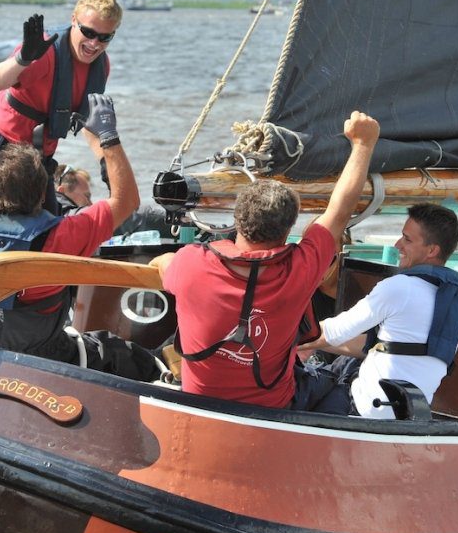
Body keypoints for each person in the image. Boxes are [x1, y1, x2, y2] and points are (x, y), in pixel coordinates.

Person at [150, 111, 381, 409]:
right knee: (342, 380)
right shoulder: (301, 268)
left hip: (200, 404)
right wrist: (364, 145)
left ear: (237, 221)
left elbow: (162, 263)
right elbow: (339, 211)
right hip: (274, 408)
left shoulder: (190, 263)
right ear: (288, 232)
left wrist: (164, 261)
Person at [0, 76, 139, 361]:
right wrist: (107, 136)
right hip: (44, 355)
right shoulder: (64, 236)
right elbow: (127, 201)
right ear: (43, 196)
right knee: (132, 359)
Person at [299, 204, 458, 419]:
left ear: (432, 250)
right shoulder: (455, 297)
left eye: (407, 239)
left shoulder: (400, 287)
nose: (398, 245)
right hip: (411, 413)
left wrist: (278, 338)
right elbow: (388, 346)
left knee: (302, 387)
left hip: (364, 407)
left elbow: (332, 331)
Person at [0, 0, 122, 212]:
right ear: (74, 20)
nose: (94, 43)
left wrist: (104, 161)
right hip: (1, 156)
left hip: (39, 162)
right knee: (11, 236)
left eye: (104, 37)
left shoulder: (101, 66)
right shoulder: (44, 51)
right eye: (88, 32)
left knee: (53, 234)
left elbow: (87, 120)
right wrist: (23, 58)